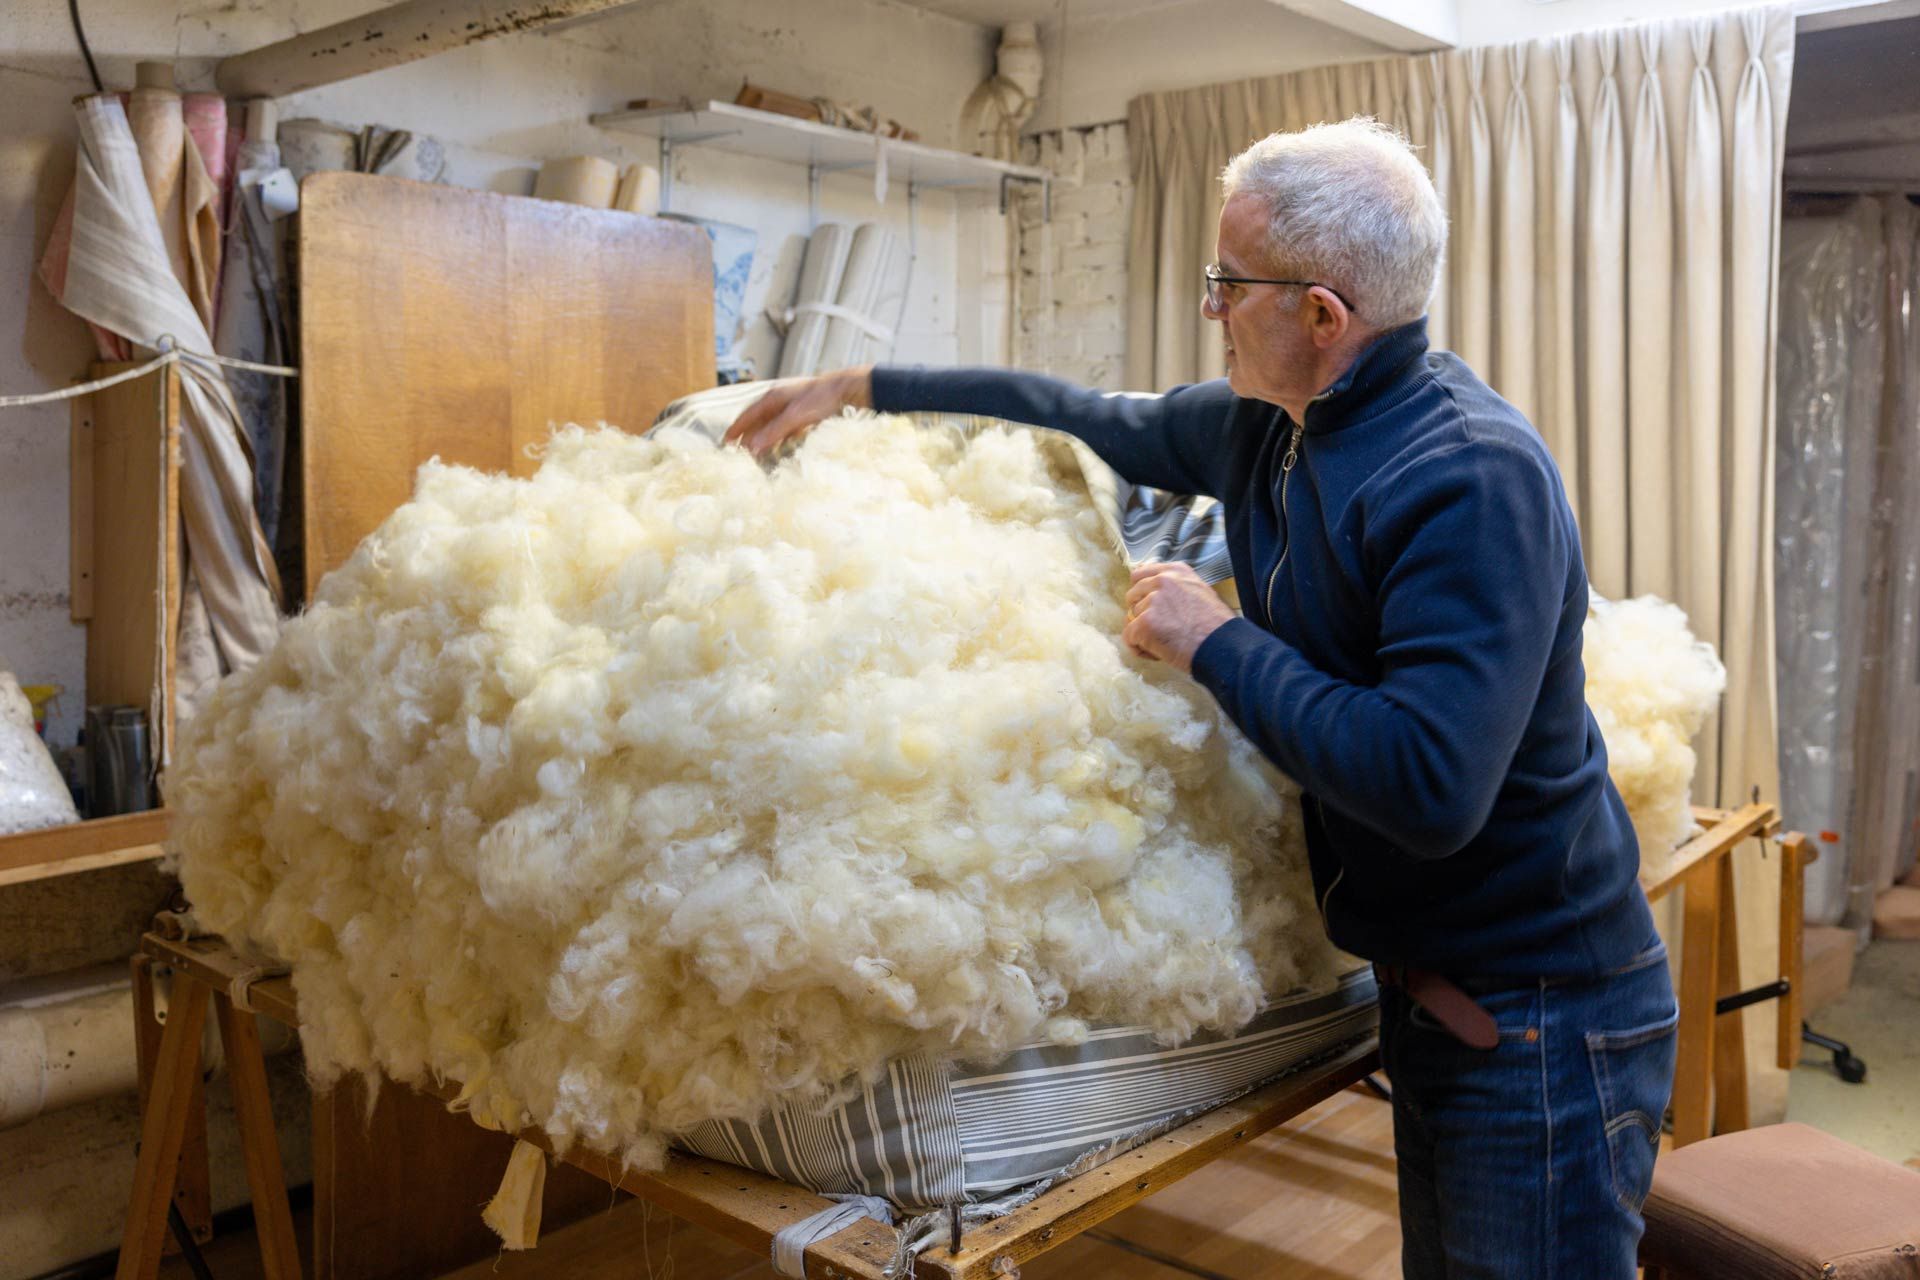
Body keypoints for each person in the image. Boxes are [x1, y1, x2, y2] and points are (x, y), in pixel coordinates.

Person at [724, 117, 1677, 1279]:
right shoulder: (1271, 428)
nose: (1213, 306)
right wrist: (864, 382)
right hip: (1437, 1004)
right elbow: (1080, 412)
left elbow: (1429, 786)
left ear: (1323, 316)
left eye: (1232, 282)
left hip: (1541, 1018)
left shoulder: (1468, 476)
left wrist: (1214, 640)